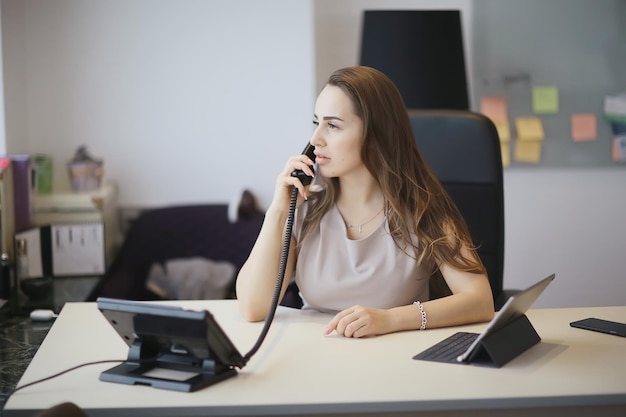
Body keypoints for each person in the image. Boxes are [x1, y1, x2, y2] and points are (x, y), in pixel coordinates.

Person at [236, 66, 494, 338]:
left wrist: (390, 319)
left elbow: (480, 300)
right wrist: (278, 211)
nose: (315, 140)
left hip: (397, 362)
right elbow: (253, 307)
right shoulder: (305, 209)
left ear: (375, 134)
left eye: (332, 125)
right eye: (316, 123)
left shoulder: (423, 209)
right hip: (315, 360)